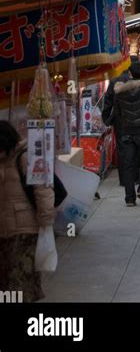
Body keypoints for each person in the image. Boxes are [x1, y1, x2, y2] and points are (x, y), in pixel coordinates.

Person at [0, 120, 56, 302]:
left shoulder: (26, 156)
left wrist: (46, 225)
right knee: (9, 283)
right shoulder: (3, 160)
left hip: (26, 231)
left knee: (20, 281)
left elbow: (44, 190)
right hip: (5, 232)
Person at [113, 61, 140, 206]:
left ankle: (129, 198)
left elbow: (117, 114)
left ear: (130, 74)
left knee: (128, 165)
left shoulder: (120, 92)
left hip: (126, 132)